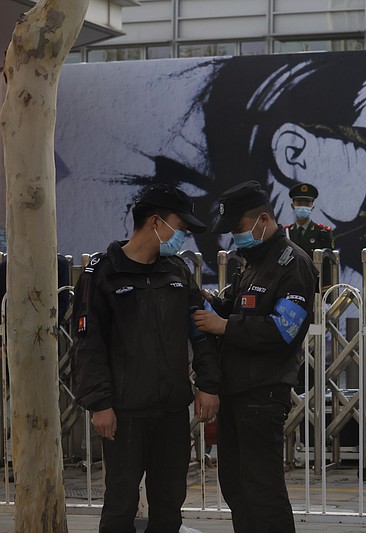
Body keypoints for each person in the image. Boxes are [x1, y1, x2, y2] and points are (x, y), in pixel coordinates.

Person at [72, 183, 220, 533]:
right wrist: (99, 404)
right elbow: (88, 343)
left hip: (171, 410)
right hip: (124, 414)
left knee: (169, 504)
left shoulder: (177, 272)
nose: (181, 236)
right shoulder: (103, 273)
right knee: (121, 504)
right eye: (179, 227)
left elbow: (200, 331)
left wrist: (208, 385)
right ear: (156, 222)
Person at [193, 180, 317, 533]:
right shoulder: (252, 263)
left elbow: (282, 330)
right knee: (235, 485)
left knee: (263, 489)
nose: (235, 237)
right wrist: (204, 300)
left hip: (262, 393)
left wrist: (223, 326)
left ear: (263, 219)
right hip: (235, 391)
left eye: (238, 228)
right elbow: (230, 304)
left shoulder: (293, 264)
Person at [284, 182, 334, 288]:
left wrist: (326, 295)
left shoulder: (322, 233)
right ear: (292, 205)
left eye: (307, 203)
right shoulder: (285, 233)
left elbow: (327, 268)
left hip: (314, 288)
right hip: (290, 286)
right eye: (299, 202)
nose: (303, 207)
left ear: (312, 206)